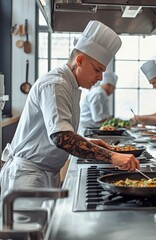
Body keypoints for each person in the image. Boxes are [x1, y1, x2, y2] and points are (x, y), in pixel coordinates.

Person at [0, 20, 140, 199]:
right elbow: (61, 138)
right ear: (79, 60)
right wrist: (113, 157)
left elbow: (56, 133)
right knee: (27, 228)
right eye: (97, 70)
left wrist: (86, 142)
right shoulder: (56, 85)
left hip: (43, 173)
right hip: (28, 176)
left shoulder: (70, 85)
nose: (100, 77)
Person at [79, 71, 118, 135]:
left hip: (94, 129)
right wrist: (111, 118)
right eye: (113, 88)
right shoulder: (98, 94)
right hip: (89, 130)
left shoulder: (101, 93)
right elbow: (98, 118)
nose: (113, 92)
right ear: (108, 85)